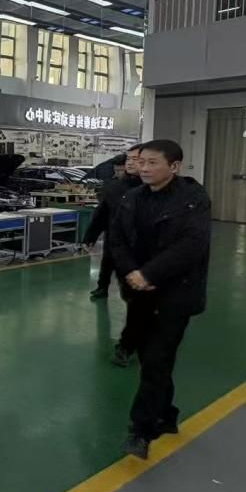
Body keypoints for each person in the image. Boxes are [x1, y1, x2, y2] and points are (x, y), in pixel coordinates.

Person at [109, 139, 212, 461]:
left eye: (152, 163)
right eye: (141, 162)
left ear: (174, 166)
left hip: (175, 293)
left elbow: (192, 245)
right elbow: (117, 240)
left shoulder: (193, 200)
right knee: (152, 359)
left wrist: (150, 273)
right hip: (139, 292)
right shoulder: (132, 198)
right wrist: (131, 273)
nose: (144, 168)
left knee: (157, 359)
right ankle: (166, 414)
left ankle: (140, 430)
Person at [83, 144, 144, 303]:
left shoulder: (151, 188)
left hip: (139, 240)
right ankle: (102, 287)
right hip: (114, 235)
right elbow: (102, 212)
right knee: (107, 261)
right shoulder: (114, 186)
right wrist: (91, 235)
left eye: (135, 159)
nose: (130, 163)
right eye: (128, 159)